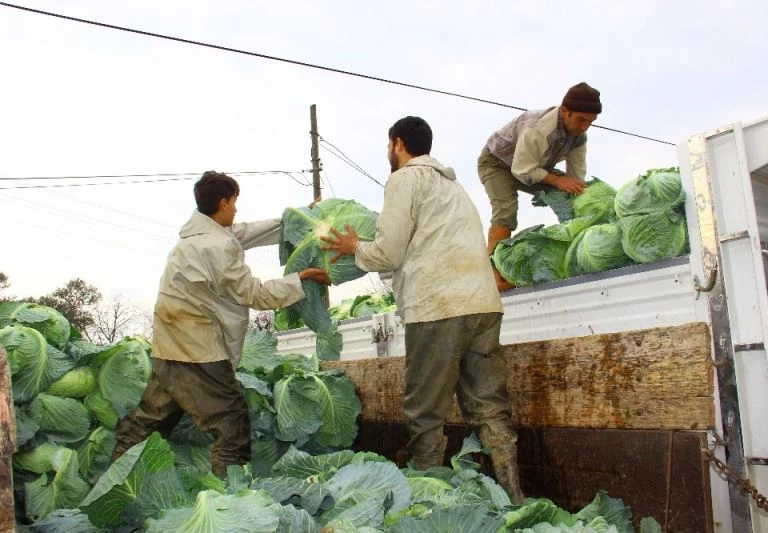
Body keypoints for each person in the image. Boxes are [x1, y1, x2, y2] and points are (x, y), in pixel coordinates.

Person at [321, 116, 525, 504]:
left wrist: (354, 248)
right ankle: (514, 498)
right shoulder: (454, 186)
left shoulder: (404, 180)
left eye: (388, 146)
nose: (388, 153)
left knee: (426, 412)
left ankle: (428, 503)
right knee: (489, 407)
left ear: (397, 144)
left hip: (438, 306)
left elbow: (388, 251)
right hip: (482, 304)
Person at [112, 171, 330, 477]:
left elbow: (244, 233)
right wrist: (299, 280)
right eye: (235, 202)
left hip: (168, 345)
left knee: (147, 421)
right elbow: (254, 294)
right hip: (199, 351)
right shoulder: (218, 246)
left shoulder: (195, 239)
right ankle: (230, 498)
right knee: (231, 424)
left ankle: (110, 481)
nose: (237, 209)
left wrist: (296, 217)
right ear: (224, 202)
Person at [479, 82, 603, 291]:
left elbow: (576, 176)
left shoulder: (579, 136)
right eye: (581, 120)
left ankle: (577, 257)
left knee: (573, 195)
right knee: (506, 211)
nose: (585, 126)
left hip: (533, 166)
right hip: (497, 163)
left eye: (590, 122)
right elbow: (522, 170)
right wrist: (557, 180)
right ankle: (493, 278)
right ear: (565, 111)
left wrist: (576, 192)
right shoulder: (538, 128)